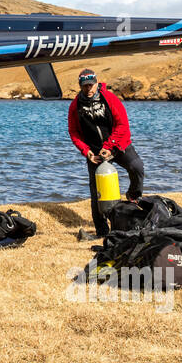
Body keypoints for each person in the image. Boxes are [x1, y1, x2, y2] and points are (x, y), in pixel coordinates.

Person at [68, 69, 145, 237]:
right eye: (84, 86)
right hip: (94, 153)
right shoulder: (75, 105)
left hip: (118, 146)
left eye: (91, 85)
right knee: (96, 192)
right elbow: (73, 132)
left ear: (96, 83)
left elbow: (122, 125)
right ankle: (102, 231)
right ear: (80, 86)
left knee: (137, 167)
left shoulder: (109, 98)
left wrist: (110, 146)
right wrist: (86, 151)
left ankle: (133, 196)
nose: (88, 89)